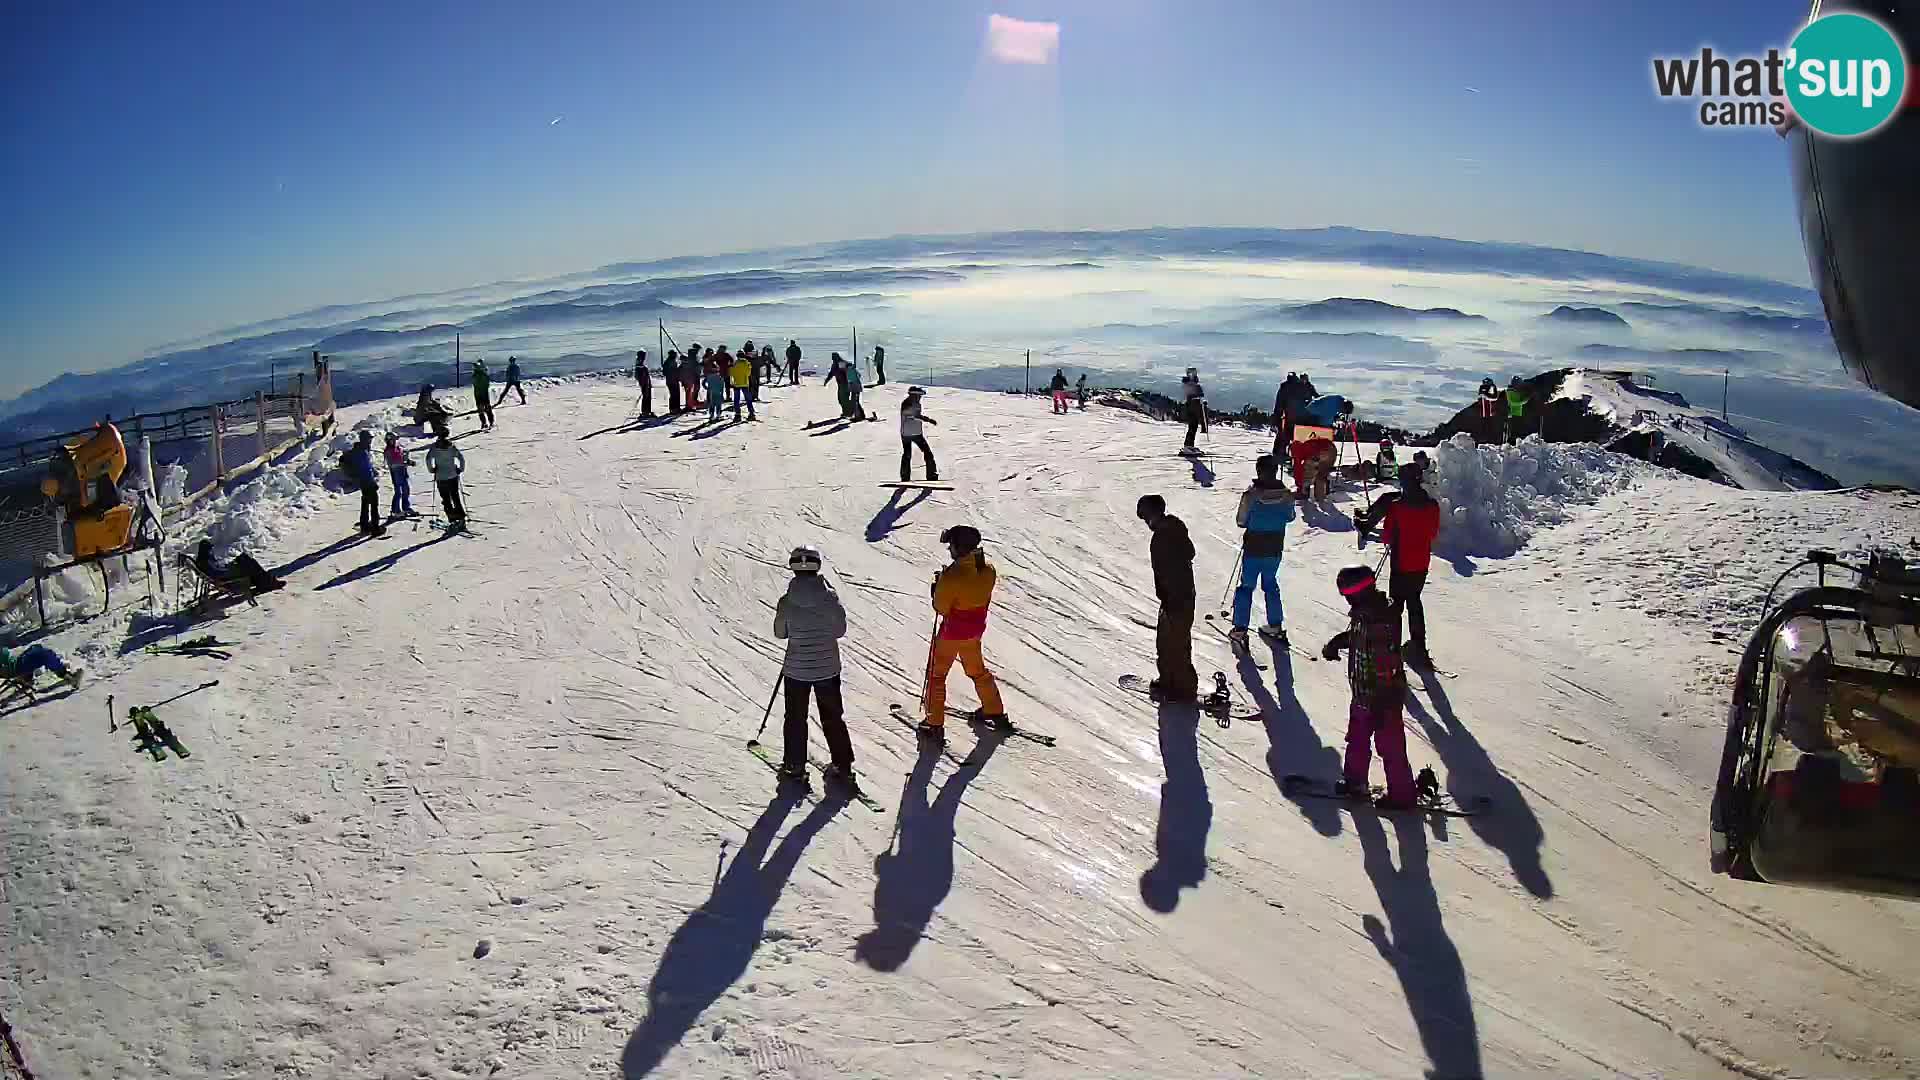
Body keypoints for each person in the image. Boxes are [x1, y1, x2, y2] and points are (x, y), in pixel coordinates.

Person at [1321, 564, 1414, 809]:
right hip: (1363, 695)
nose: (1347, 602)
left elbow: (1386, 662)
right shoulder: (1366, 614)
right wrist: (1337, 642)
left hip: (1383, 699)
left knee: (1390, 746)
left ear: (1359, 593)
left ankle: (1402, 795)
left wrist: (1383, 700)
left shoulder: (1379, 621)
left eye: (1348, 596)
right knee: (1357, 739)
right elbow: (1356, 636)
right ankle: (1355, 782)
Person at [772, 546, 858, 791]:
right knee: (832, 717)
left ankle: (794, 766)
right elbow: (840, 631)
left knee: (795, 718)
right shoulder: (829, 598)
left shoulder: (787, 602)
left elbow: (780, 633)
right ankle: (843, 765)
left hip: (796, 670)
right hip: (827, 669)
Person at [1354, 453, 1441, 669]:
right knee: (1415, 601)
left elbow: (1387, 535)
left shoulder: (1397, 506)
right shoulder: (1432, 505)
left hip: (1401, 562)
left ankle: (1392, 648)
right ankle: (1418, 647)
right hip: (1421, 562)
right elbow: (1432, 532)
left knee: (1396, 606)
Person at [923, 525, 1008, 744]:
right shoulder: (988, 570)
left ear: (959, 548)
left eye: (951, 545)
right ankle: (994, 711)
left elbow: (941, 608)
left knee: (937, 675)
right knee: (977, 670)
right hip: (974, 631)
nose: (949, 549)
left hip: (951, 634)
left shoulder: (952, 577)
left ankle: (934, 724)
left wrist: (937, 587)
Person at [1229, 455, 1296, 653]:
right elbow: (1290, 517)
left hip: (1254, 547)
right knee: (1270, 584)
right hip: (1275, 547)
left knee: (1246, 587)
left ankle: (1240, 630)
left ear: (1259, 471)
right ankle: (1275, 626)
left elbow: (1241, 521)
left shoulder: (1251, 495)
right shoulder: (1286, 495)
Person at [1136, 495, 1199, 702]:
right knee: (1177, 640)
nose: (1146, 523)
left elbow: (1166, 572)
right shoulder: (1177, 528)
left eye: (1146, 518)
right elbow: (1190, 552)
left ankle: (1175, 686)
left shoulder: (1161, 538)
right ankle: (1179, 683)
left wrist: (1168, 597)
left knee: (1170, 643)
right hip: (1185, 595)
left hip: (1176, 598)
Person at [194, 539, 284, 593]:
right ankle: (267, 582)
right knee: (248, 562)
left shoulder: (203, 561)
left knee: (245, 559)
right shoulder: (206, 562)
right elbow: (218, 571)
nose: (212, 550)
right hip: (225, 575)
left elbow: (217, 567)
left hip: (224, 572)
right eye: (210, 548)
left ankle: (264, 581)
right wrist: (230, 566)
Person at [342, 431, 384, 536]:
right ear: (365, 439)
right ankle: (375, 528)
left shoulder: (359, 451)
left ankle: (364, 525)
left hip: (362, 482)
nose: (371, 441)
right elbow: (365, 470)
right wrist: (373, 482)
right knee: (374, 504)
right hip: (367, 482)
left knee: (365, 503)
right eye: (369, 439)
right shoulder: (362, 453)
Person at [426, 431, 468, 530]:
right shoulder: (451, 446)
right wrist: (460, 469)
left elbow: (428, 459)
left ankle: (452, 519)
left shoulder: (434, 448)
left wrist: (432, 470)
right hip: (453, 475)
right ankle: (461, 518)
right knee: (455, 496)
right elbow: (461, 458)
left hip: (441, 477)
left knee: (446, 499)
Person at [1, 644, 83, 693]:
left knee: (36, 648)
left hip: (15, 664)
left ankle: (27, 678)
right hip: (14, 667)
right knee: (44, 655)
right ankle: (69, 677)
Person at [900, 386, 938, 482]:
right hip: (911, 433)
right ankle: (931, 475)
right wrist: (928, 420)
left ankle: (905, 476)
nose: (920, 397)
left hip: (910, 433)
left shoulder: (914, 403)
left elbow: (915, 415)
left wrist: (926, 419)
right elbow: (914, 415)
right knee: (926, 453)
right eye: (919, 395)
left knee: (908, 454)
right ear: (914, 395)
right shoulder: (907, 404)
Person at [1292, 427, 1337, 501]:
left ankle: (1304, 493)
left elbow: (1298, 470)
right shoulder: (1304, 443)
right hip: (1331, 449)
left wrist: (1300, 485)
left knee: (1307, 474)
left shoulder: (1297, 452)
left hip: (1317, 454)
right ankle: (1321, 495)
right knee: (1321, 474)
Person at [384, 432, 415, 520]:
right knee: (398, 492)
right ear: (388, 441)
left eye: (395, 440)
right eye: (392, 440)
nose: (394, 442)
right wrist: (403, 463)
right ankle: (395, 510)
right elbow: (392, 463)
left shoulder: (397, 448)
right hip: (396, 472)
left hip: (402, 471)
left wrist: (408, 461)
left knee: (406, 489)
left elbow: (402, 458)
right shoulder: (388, 451)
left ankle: (406, 508)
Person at [1273, 373, 1301, 459]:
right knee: (1286, 434)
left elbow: (1279, 403)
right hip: (1289, 415)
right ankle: (1281, 452)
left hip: (1286, 414)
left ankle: (1279, 452)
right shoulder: (1294, 388)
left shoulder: (1284, 387)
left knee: (1283, 434)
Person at [1179, 368, 1206, 452]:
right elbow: (1192, 393)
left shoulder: (1191, 382)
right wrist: (1198, 391)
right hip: (1192, 405)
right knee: (1192, 425)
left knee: (1193, 425)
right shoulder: (1189, 383)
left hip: (1194, 404)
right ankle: (1187, 445)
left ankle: (1190, 444)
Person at [727, 348, 754, 421]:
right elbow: (748, 373)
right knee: (748, 399)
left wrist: (730, 367)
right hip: (745, 383)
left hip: (737, 384)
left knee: (736, 400)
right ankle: (751, 413)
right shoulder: (747, 364)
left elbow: (731, 373)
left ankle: (738, 415)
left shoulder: (735, 364)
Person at [470, 359, 495, 431]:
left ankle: (488, 422)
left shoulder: (480, 375)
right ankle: (486, 422)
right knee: (484, 409)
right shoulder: (478, 375)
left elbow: (485, 384)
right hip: (480, 394)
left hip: (481, 394)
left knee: (484, 409)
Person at [1504, 377, 1529, 444]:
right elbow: (1512, 402)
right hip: (1512, 414)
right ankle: (1511, 444)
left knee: (1517, 430)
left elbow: (1520, 399)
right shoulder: (1510, 391)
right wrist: (1523, 401)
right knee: (1513, 431)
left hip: (1518, 413)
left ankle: (1514, 444)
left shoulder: (1517, 391)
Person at [824, 354, 850, 418]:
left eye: (833, 358)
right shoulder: (835, 364)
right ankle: (846, 412)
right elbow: (831, 373)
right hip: (840, 384)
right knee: (841, 399)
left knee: (844, 399)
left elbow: (846, 372)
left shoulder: (841, 363)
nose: (833, 359)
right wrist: (826, 381)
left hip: (845, 384)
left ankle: (847, 412)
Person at [704, 353, 728, 422]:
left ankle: (711, 416)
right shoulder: (720, 377)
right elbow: (722, 387)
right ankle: (718, 415)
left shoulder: (709, 376)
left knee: (712, 405)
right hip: (718, 393)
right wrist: (722, 394)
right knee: (718, 405)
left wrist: (707, 388)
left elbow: (703, 383)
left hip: (711, 392)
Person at [1477, 378, 1500, 442]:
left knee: (1489, 425)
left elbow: (1494, 397)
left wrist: (1485, 396)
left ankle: (1490, 440)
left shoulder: (1492, 387)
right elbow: (1480, 397)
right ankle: (1484, 439)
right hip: (1483, 411)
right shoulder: (1482, 387)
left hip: (1490, 411)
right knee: (1484, 425)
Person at [682, 345, 704, 411]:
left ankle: (692, 402)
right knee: (691, 391)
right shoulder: (692, 359)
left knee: (694, 390)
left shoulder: (692, 359)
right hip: (692, 377)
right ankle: (690, 405)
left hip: (694, 376)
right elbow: (694, 367)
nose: (697, 352)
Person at [845, 355, 865, 419]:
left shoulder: (848, 371)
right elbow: (859, 375)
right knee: (856, 401)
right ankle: (859, 414)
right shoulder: (853, 370)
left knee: (855, 402)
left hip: (854, 387)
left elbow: (849, 379)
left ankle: (858, 415)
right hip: (857, 387)